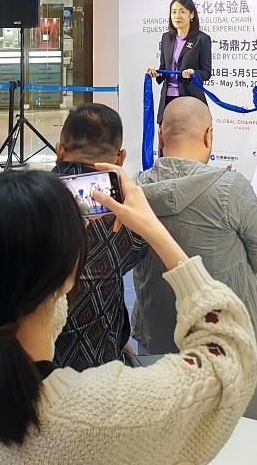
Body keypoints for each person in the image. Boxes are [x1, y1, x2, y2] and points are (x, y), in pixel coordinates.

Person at [0, 166, 257, 463]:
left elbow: (29, 317)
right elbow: (228, 358)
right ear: (67, 278)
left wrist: (60, 258)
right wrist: (154, 230)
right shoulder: (103, 413)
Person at [133, 97, 257, 353]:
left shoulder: (134, 189)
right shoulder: (232, 187)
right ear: (208, 135)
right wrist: (255, 214)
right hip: (226, 330)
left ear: (160, 137)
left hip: (156, 330)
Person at [49, 103, 147, 371]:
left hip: (31, 363)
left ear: (60, 150)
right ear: (120, 159)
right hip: (100, 362)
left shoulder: (28, 198)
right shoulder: (126, 211)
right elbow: (137, 252)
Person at [147, 0, 212, 124]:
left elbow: (206, 73)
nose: (177, 16)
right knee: (166, 135)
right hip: (167, 99)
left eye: (182, 11)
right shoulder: (166, 38)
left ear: (191, 15)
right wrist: (156, 73)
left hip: (190, 99)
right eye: (174, 12)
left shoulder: (202, 39)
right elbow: (164, 68)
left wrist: (193, 73)